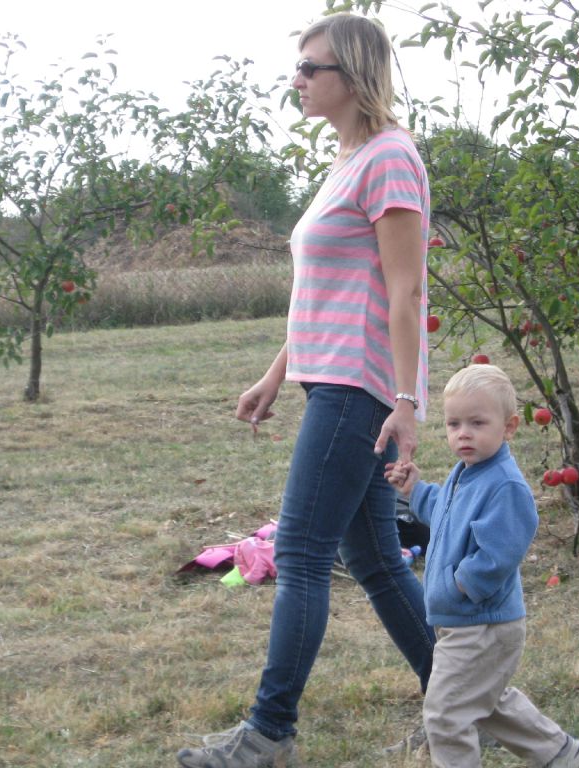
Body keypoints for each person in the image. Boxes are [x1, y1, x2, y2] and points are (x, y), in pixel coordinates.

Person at [176, 12, 436, 768]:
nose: (296, 80)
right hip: (333, 378)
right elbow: (334, 290)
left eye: (310, 67)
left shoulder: (390, 158)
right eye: (297, 65)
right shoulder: (349, 159)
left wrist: (407, 401)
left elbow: (404, 290)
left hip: (360, 388)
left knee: (300, 549)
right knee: (378, 562)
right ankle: (466, 703)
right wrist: (276, 371)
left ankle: (269, 733)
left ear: (353, 75)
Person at [385, 364, 579, 768]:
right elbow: (446, 510)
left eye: (477, 423)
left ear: (508, 427)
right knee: (485, 700)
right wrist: (415, 491)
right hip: (462, 619)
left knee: (445, 714)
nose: (463, 433)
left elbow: (500, 553)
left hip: (482, 624)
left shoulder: (504, 485)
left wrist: (461, 585)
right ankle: (559, 753)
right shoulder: (467, 473)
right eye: (454, 424)